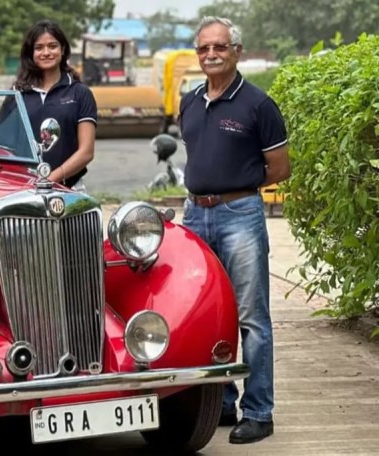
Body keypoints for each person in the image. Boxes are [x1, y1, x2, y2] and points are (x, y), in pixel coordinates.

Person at [178, 16, 291, 444]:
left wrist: (236, 187)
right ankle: (221, 402)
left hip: (239, 215)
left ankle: (259, 412)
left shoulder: (258, 105)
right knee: (207, 315)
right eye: (204, 48)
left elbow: (280, 167)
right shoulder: (189, 102)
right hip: (195, 216)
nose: (211, 54)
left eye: (220, 47)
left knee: (251, 318)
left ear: (236, 51)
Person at [14, 20, 98, 191]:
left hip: (69, 189)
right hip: (23, 189)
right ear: (31, 53)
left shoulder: (80, 93)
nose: (46, 52)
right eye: (39, 48)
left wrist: (51, 179)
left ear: (63, 50)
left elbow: (86, 151)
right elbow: (6, 147)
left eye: (52, 46)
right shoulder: (17, 94)